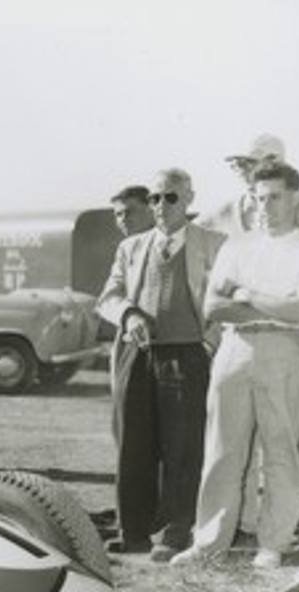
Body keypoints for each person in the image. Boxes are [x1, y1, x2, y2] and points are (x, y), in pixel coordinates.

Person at [172, 162, 299, 569]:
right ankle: (208, 543)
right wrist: (265, 302)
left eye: (275, 197)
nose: (266, 206)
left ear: (295, 198)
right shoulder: (236, 247)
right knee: (223, 448)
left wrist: (246, 293)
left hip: (285, 350)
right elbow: (213, 307)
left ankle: (274, 543)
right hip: (234, 349)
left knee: (281, 449)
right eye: (260, 198)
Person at [96, 168, 225, 560]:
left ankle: (175, 531)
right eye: (153, 198)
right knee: (133, 441)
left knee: (183, 447)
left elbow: (225, 300)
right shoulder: (132, 247)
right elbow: (108, 296)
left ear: (188, 199)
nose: (160, 206)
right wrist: (129, 314)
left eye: (170, 197)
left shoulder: (214, 244)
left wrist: (207, 343)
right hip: (137, 354)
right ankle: (133, 530)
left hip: (188, 353)